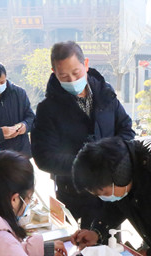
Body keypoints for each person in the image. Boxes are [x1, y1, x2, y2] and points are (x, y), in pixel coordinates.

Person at [31, 41, 135, 229]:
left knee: (110, 239)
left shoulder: (105, 93)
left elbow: (126, 130)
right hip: (73, 192)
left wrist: (110, 158)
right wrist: (86, 165)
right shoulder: (48, 109)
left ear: (85, 64)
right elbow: (44, 157)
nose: (71, 80)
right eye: (64, 76)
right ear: (54, 72)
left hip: (109, 189)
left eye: (76, 73)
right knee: (77, 241)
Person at [0, 61, 35, 156]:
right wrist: (0, 133)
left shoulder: (19, 93)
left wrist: (25, 125)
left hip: (22, 152)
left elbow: (31, 118)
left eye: (2, 82)